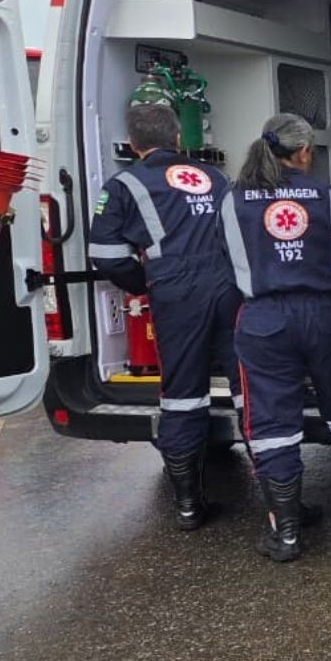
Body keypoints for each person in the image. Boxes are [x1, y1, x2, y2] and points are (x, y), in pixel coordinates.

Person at [221, 114, 331, 562]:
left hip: (264, 319)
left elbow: (229, 261)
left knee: (273, 425)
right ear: (305, 151)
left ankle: (287, 533)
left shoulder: (232, 200)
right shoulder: (329, 197)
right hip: (329, 314)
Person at [89, 102, 240, 530]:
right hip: (228, 287)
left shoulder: (124, 184)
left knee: (182, 395)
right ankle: (280, 507)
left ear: (134, 144)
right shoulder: (214, 177)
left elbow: (105, 254)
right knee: (249, 386)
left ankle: (190, 506)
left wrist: (142, 282)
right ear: (178, 139)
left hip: (175, 294)